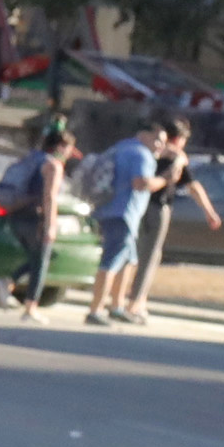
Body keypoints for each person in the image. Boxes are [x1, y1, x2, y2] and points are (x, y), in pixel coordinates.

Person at [122, 114, 222, 325]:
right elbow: (192, 186)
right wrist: (209, 212)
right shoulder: (174, 158)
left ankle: (124, 299)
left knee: (130, 254)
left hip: (134, 205)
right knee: (149, 256)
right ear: (178, 139)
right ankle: (135, 303)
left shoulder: (148, 150)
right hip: (156, 207)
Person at [84, 120, 170, 324]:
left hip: (107, 209)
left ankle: (117, 307)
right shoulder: (141, 154)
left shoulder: (121, 147)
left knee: (129, 260)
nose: (160, 145)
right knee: (111, 261)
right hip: (123, 214)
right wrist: (165, 179)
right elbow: (141, 183)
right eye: (157, 139)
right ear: (143, 135)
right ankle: (95, 310)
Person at [0, 127, 73, 318]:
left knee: (38, 258)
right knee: (42, 261)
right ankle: (30, 307)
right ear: (61, 147)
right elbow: (50, 197)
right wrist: (50, 225)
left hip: (16, 215)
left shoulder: (30, 158)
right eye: (70, 148)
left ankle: (7, 282)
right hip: (35, 218)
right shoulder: (53, 166)